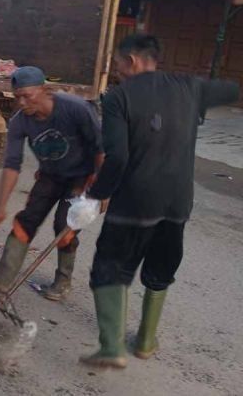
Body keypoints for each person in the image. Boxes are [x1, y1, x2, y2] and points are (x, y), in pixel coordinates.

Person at [80, 34, 240, 369]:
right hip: (177, 203)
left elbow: (118, 157)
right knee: (161, 268)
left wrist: (95, 197)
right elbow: (231, 90)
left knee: (110, 268)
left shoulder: (118, 98)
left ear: (133, 61)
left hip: (134, 204)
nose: (117, 70)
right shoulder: (189, 86)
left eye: (119, 64)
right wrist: (199, 96)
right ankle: (146, 342)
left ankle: (111, 349)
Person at [0, 66, 104, 301]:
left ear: (45, 90)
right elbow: (12, 165)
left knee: (65, 226)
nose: (21, 103)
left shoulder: (75, 108)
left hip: (82, 177)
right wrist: (0, 206)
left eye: (26, 96)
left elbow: (100, 150)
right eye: (17, 96)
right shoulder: (20, 122)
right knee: (26, 220)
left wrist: (101, 189)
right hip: (50, 175)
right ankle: (0, 283)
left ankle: (62, 280)